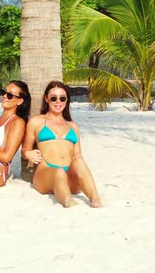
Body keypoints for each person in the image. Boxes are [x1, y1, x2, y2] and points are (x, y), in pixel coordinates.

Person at [22, 80, 101, 208]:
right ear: (46, 99)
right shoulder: (36, 121)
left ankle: (95, 197)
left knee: (79, 160)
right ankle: (68, 202)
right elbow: (25, 150)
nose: (58, 101)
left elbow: (77, 155)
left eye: (62, 98)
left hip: (68, 176)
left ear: (66, 100)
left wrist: (78, 165)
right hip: (45, 173)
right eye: (54, 98)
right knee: (58, 172)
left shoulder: (73, 126)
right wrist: (28, 153)